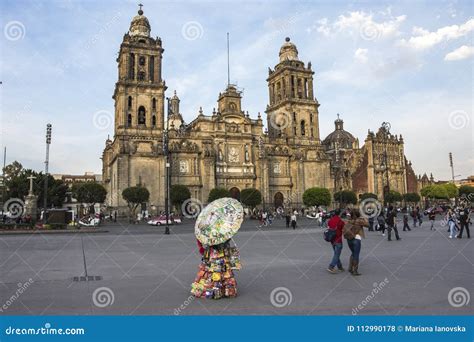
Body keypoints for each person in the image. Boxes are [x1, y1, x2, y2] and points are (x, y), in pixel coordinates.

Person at [344, 209, 367, 276]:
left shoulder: (348, 221)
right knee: (356, 255)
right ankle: (355, 271)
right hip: (356, 239)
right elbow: (368, 225)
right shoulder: (359, 221)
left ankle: (350, 268)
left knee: (353, 253)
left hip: (349, 239)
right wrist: (364, 218)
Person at [327, 209, 345, 273]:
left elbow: (328, 228)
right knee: (337, 254)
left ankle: (340, 267)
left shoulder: (330, 221)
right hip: (338, 240)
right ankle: (331, 266)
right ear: (339, 214)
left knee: (336, 254)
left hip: (332, 240)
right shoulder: (341, 221)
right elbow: (344, 229)